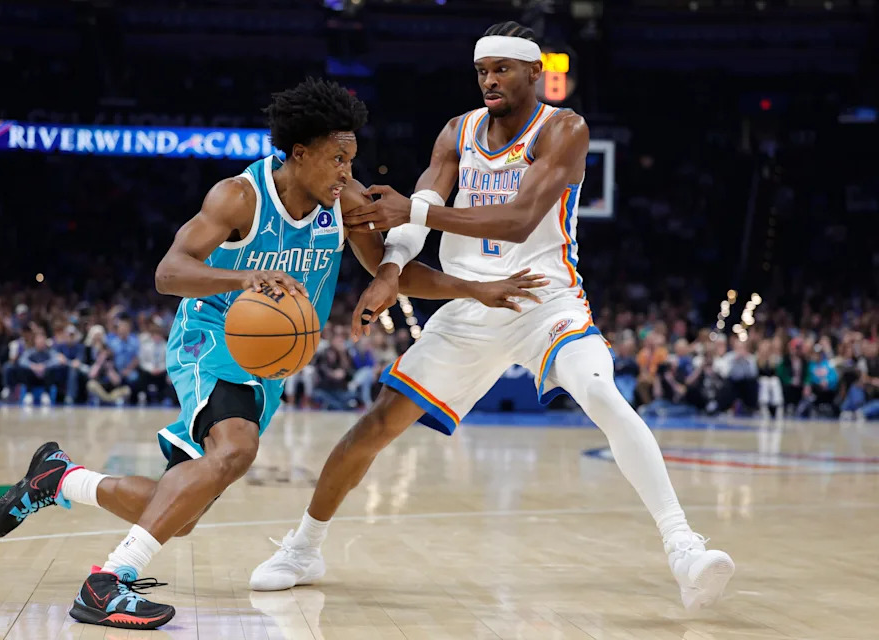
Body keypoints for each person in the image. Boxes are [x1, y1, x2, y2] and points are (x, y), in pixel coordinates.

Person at [0, 78, 548, 631]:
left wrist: (474, 288)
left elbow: (391, 272)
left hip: (269, 362)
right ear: (299, 153)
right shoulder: (238, 196)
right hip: (210, 337)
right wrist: (244, 276)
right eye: (337, 159)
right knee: (237, 450)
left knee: (179, 511)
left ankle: (59, 480)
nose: (348, 174)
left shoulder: (344, 202)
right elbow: (169, 273)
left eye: (352, 160)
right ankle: (108, 582)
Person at [250, 23, 735, 611]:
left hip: (543, 299)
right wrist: (390, 267)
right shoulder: (458, 132)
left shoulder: (565, 129)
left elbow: (518, 219)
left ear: (536, 73)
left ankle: (683, 545)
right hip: (471, 304)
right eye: (482, 71)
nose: (489, 80)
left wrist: (421, 218)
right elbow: (418, 210)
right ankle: (304, 547)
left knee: (603, 394)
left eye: (502, 69)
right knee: (376, 424)